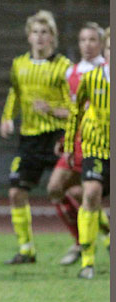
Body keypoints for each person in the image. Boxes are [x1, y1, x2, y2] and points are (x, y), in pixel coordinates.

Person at [0, 10, 72, 264]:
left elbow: (75, 106)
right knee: (16, 193)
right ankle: (26, 249)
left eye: (45, 32)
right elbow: (15, 94)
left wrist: (52, 109)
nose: (40, 37)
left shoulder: (64, 67)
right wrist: (7, 117)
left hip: (58, 137)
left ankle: (99, 239)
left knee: (74, 192)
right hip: (29, 139)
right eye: (35, 32)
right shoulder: (19, 65)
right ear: (28, 36)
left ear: (53, 37)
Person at [46, 22, 107, 265]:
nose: (87, 45)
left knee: (84, 194)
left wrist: (52, 110)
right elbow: (74, 111)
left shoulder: (105, 71)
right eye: (83, 40)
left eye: (92, 40)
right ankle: (81, 240)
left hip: (99, 142)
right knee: (56, 188)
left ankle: (95, 238)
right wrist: (66, 139)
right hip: (77, 141)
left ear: (102, 43)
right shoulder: (71, 73)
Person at [64, 27, 110, 279]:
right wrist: (70, 145)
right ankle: (88, 262)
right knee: (90, 193)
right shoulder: (91, 79)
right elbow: (76, 112)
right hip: (97, 148)